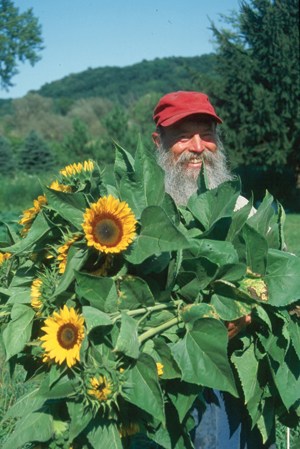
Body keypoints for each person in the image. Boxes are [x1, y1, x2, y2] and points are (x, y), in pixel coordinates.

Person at [151, 91, 275, 449]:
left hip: (234, 378)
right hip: (166, 378)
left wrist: (247, 317)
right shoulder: (147, 212)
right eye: (182, 136)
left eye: (206, 134)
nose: (197, 146)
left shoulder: (242, 211)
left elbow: (280, 287)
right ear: (159, 141)